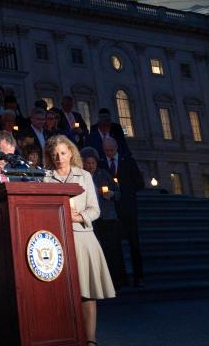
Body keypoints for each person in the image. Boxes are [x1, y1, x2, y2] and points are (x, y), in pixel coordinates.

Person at [45, 135, 115, 346]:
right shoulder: (45, 177)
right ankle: (65, 336)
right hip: (56, 239)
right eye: (55, 154)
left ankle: (90, 340)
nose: (59, 157)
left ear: (71, 153)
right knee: (60, 294)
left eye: (63, 153)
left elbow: (95, 209)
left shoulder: (84, 175)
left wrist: (77, 217)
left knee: (87, 292)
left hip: (83, 238)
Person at [102, 136, 144, 287]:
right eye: (106, 151)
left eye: (111, 150)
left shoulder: (128, 162)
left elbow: (140, 183)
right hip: (112, 210)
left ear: (117, 148)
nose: (109, 153)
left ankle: (139, 277)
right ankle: (121, 278)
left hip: (128, 208)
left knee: (134, 244)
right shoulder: (103, 164)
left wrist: (124, 190)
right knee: (115, 245)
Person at [81, 147, 125, 290]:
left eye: (93, 163)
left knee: (112, 249)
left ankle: (116, 280)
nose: (90, 166)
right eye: (87, 163)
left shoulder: (104, 175)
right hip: (92, 219)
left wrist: (111, 194)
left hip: (107, 218)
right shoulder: (81, 177)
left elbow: (118, 193)